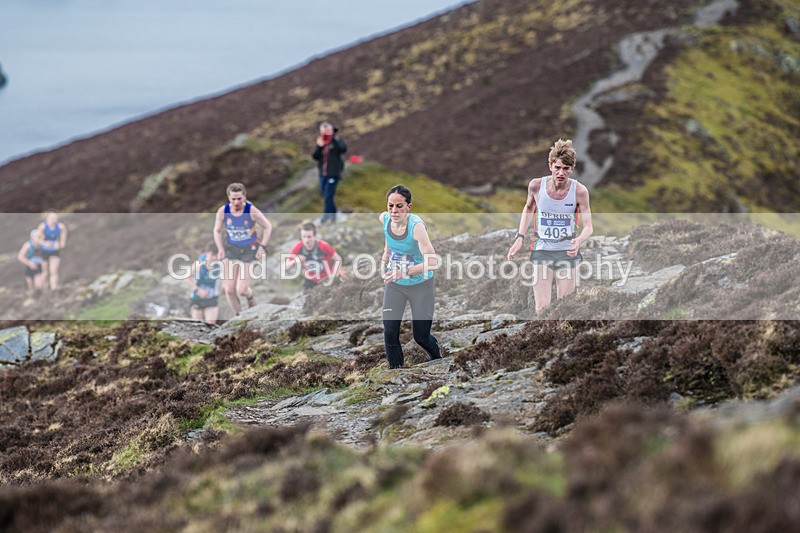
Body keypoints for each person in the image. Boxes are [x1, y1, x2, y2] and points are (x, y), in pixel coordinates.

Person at [507, 138, 594, 313]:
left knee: (565, 308)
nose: (561, 172)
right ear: (550, 166)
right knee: (542, 309)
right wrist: (519, 238)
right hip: (542, 250)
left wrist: (579, 241)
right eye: (558, 167)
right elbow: (529, 207)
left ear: (572, 169)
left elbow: (588, 226)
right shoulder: (536, 186)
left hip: (567, 251)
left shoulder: (580, 191)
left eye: (566, 168)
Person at [379, 185, 441, 369]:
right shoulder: (384, 218)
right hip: (396, 285)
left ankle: (438, 359)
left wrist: (403, 272)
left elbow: (433, 262)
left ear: (409, 207)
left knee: (420, 337)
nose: (394, 210)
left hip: (421, 285)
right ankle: (395, 373)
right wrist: (384, 264)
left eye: (399, 206)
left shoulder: (416, 227)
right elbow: (388, 243)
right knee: (390, 333)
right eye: (390, 206)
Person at [213, 182, 272, 315]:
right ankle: (238, 318)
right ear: (229, 198)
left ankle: (251, 298)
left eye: (239, 198)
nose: (236, 202)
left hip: (248, 250)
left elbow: (268, 226)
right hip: (231, 249)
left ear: (244, 197)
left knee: (242, 289)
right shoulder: (223, 211)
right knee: (229, 289)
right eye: (233, 199)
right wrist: (220, 249)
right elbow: (216, 230)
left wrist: (262, 246)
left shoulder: (251, 210)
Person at [285, 222, 343, 290]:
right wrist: (296, 260)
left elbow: (338, 259)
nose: (306, 240)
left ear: (314, 235)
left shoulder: (323, 245)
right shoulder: (298, 247)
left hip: (326, 278)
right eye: (303, 237)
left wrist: (334, 276)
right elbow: (286, 267)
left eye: (309, 237)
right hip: (310, 280)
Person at [312, 121, 347, 223]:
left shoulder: (337, 140)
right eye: (323, 131)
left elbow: (343, 149)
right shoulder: (321, 142)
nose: (326, 133)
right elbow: (315, 156)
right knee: (325, 195)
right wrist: (319, 146)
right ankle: (334, 214)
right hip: (323, 174)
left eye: (327, 130)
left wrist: (333, 138)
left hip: (333, 173)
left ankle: (326, 216)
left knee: (328, 195)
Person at [186, 242, 221, 324]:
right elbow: (187, 278)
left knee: (211, 325)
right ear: (207, 252)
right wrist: (198, 290)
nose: (214, 258)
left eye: (216, 255)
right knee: (198, 326)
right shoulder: (199, 263)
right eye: (212, 255)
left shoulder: (220, 264)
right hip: (197, 298)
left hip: (212, 298)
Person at [37, 210, 68, 290]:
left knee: (53, 271)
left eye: (55, 218)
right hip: (44, 251)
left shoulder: (60, 226)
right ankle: (43, 287)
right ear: (48, 218)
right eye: (51, 218)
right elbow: (37, 239)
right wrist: (44, 243)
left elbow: (64, 232)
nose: (53, 220)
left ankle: (54, 288)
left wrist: (62, 242)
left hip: (54, 250)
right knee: (45, 272)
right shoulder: (43, 226)